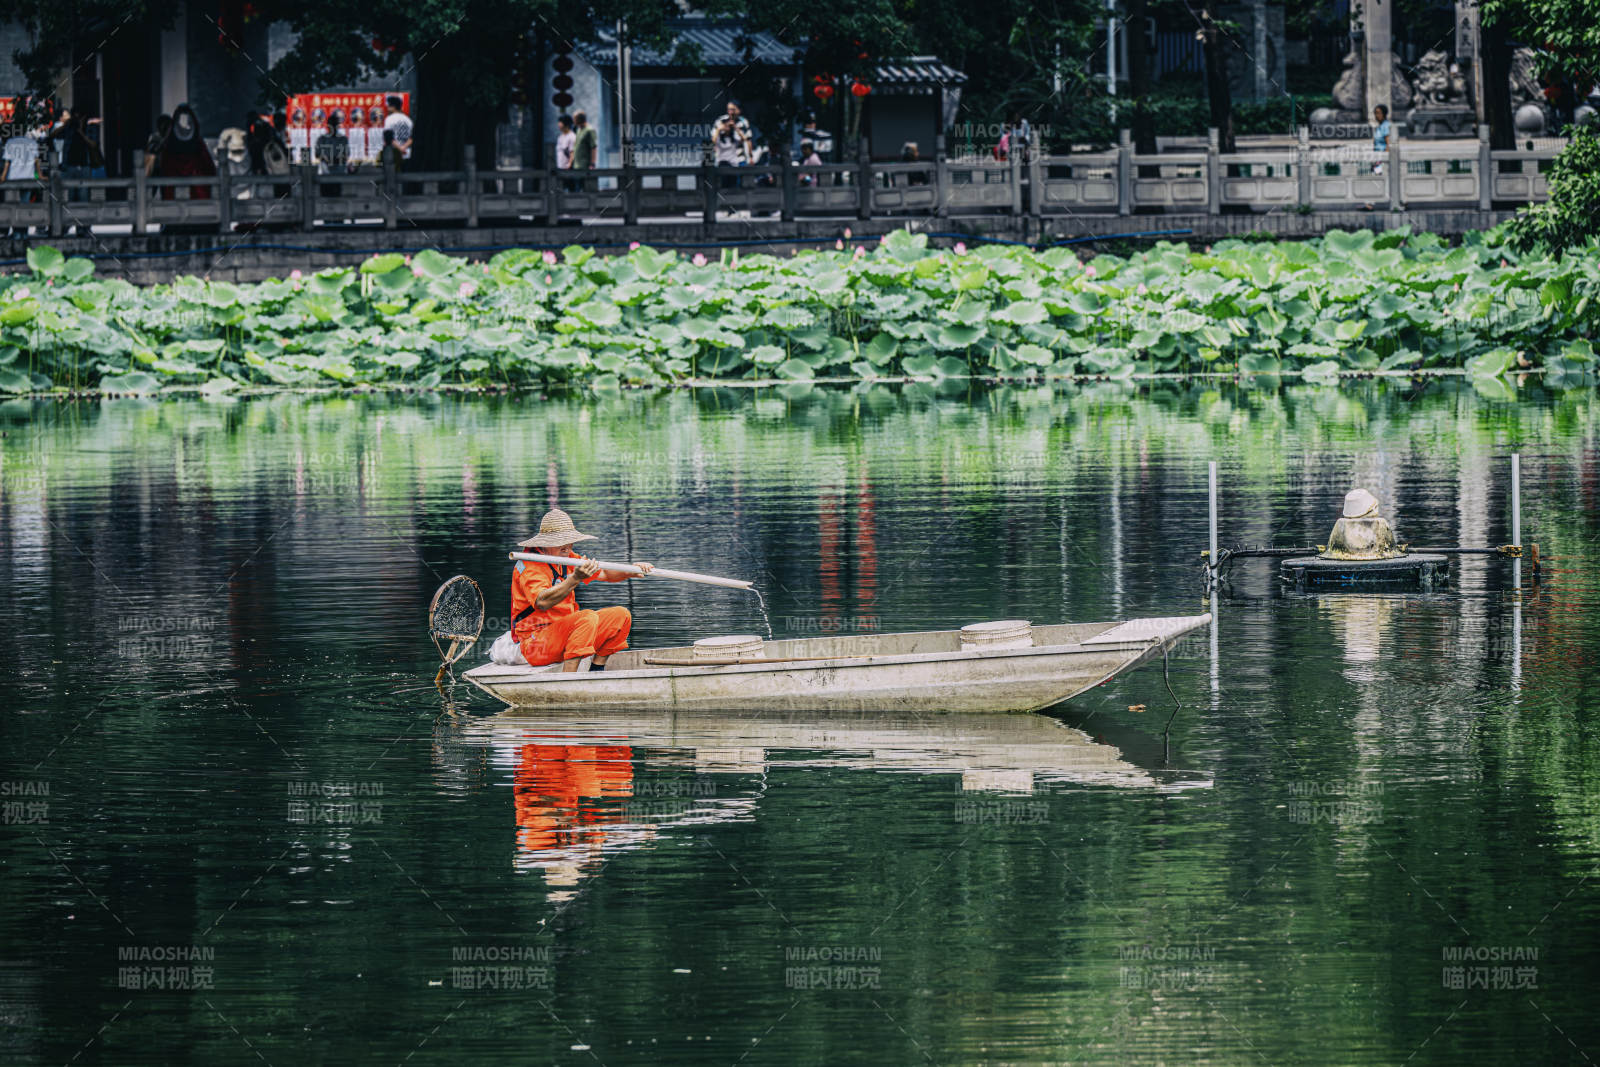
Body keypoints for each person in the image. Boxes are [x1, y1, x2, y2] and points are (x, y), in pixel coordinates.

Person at [509, 509, 654, 673]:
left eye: (570, 541)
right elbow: (542, 602)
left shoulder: (567, 557)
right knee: (586, 618)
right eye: (562, 542)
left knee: (621, 616)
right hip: (536, 643)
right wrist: (574, 578)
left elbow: (605, 573)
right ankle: (568, 680)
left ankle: (596, 670)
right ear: (545, 543)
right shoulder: (530, 565)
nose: (568, 547)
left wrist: (630, 570)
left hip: (566, 634)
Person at [156, 104, 216, 200]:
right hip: (179, 201)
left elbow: (208, 168)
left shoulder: (199, 145)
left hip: (199, 199)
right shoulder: (168, 146)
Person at [2, 96, 39, 239]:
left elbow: (7, 163)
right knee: (25, 205)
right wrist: (39, 176)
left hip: (13, 178)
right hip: (28, 177)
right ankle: (23, 231)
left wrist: (3, 177)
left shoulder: (10, 143)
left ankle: (16, 231)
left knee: (13, 206)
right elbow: (36, 162)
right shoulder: (32, 143)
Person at [382, 95, 413, 160]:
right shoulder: (408, 120)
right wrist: (404, 147)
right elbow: (412, 137)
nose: (387, 107)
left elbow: (388, 137)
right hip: (407, 153)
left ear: (393, 107)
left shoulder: (389, 119)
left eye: (389, 105)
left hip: (394, 154)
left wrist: (400, 148)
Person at [555, 114, 577, 191]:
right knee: (560, 190)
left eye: (560, 122)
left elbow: (572, 152)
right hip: (560, 167)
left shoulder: (572, 137)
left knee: (570, 190)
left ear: (566, 124)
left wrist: (569, 165)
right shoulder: (560, 137)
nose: (558, 124)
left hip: (568, 168)